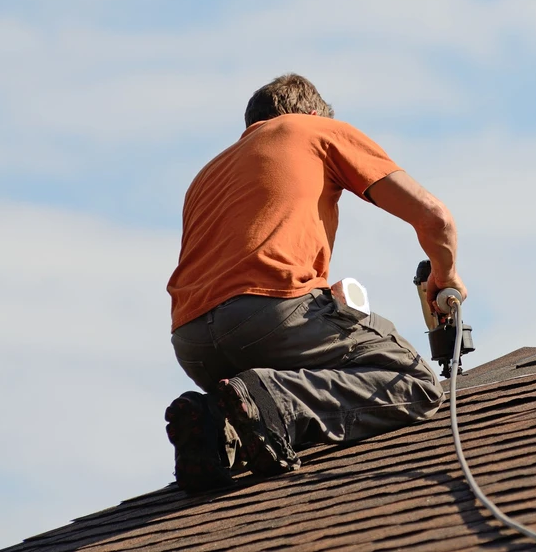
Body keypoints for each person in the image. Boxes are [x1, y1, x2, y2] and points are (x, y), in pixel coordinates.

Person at [163, 73, 467, 493]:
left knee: (262, 403)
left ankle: (217, 430)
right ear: (310, 113)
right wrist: (445, 275)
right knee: (414, 382)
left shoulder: (206, 175)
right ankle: (275, 400)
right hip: (271, 314)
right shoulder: (313, 130)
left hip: (193, 343)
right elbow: (435, 219)